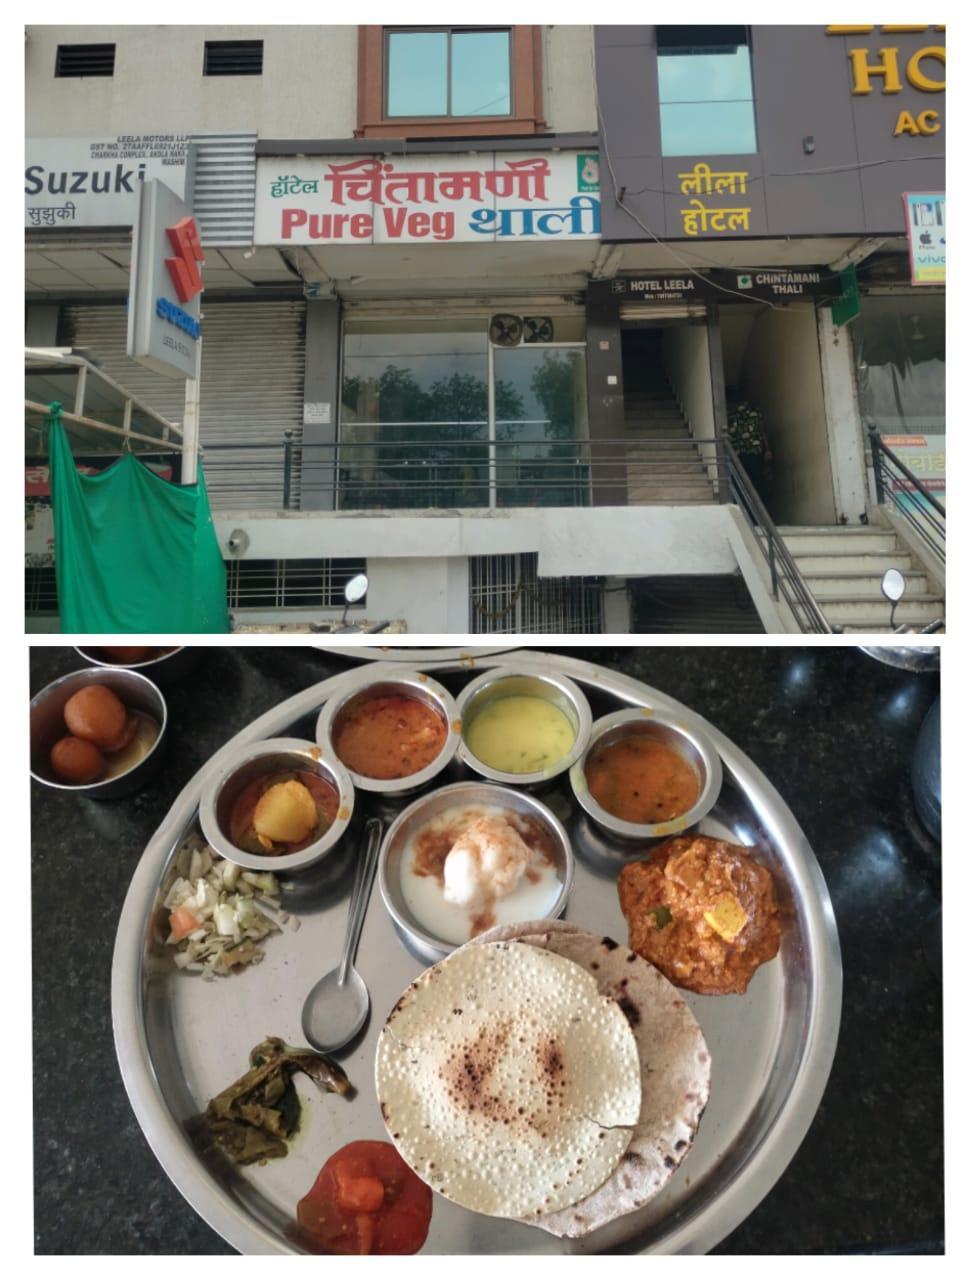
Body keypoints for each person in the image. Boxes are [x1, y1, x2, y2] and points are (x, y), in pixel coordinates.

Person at [726, 394, 771, 507]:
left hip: (743, 455)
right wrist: (768, 450)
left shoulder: (731, 415)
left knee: (745, 485)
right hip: (750, 454)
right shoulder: (752, 412)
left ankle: (750, 512)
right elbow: (762, 431)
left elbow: (762, 431)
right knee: (755, 484)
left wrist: (767, 450)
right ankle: (757, 512)